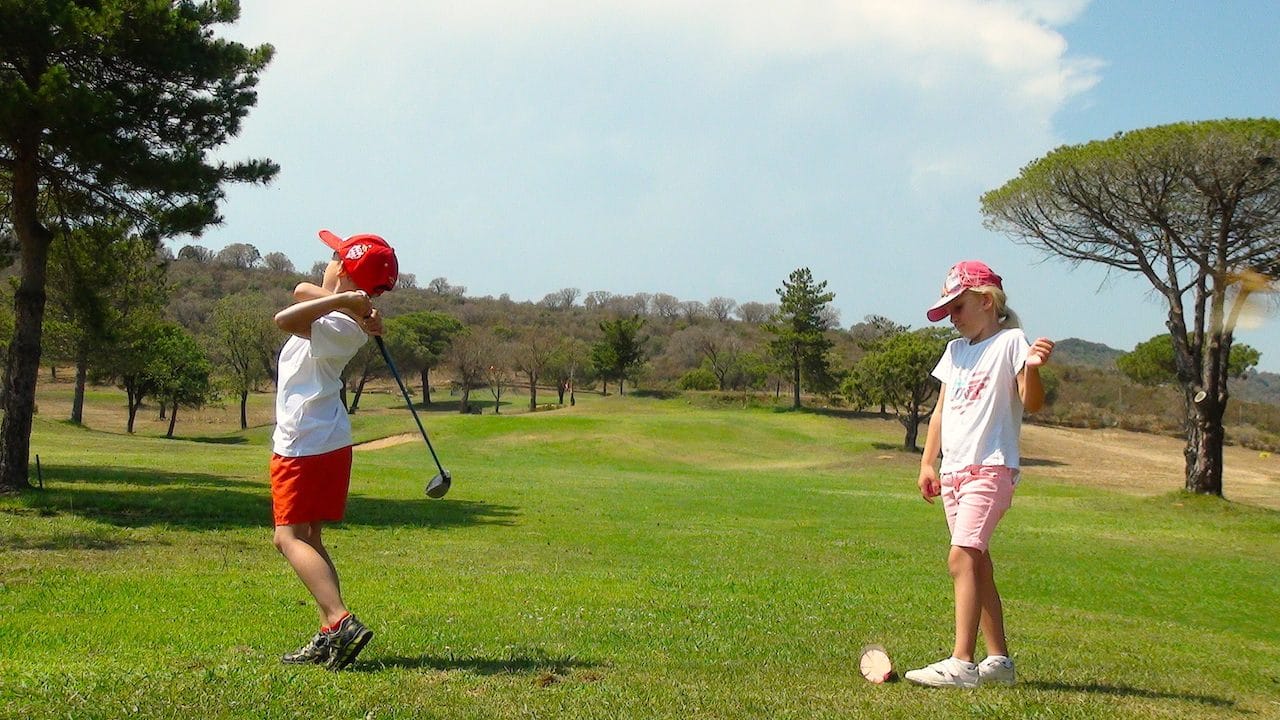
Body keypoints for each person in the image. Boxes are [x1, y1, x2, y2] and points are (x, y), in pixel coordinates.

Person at [905, 260, 1055, 689]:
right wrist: (927, 462)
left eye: (958, 307)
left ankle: (961, 663)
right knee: (978, 563)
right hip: (953, 473)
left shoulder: (1011, 342)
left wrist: (1034, 367)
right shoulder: (954, 352)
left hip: (990, 468)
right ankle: (1000, 662)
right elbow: (940, 413)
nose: (953, 318)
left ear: (986, 302)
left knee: (962, 557)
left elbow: (1032, 402)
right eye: (949, 310)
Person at [270, 229, 398, 671]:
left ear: (342, 268)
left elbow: (283, 318)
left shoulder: (341, 324)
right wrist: (352, 300)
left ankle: (342, 620)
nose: (326, 261)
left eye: (333, 256)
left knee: (286, 538)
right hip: (325, 440)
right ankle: (329, 632)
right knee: (311, 538)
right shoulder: (343, 313)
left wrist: (349, 303)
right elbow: (302, 290)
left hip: (304, 441)